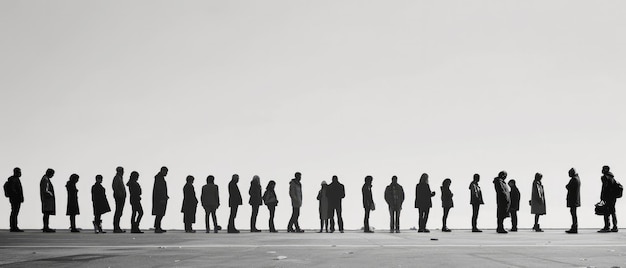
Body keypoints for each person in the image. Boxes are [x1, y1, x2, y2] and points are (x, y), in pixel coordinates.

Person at [599, 166, 618, 233]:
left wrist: (602, 197)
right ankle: (615, 226)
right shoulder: (612, 177)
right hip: (613, 197)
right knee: (613, 211)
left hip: (608, 197)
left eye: (603, 169)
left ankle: (607, 226)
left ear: (606, 170)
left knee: (606, 212)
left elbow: (605, 188)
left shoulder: (605, 177)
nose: (602, 170)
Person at [6, 167, 24, 232]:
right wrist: (18, 196)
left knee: (14, 212)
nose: (20, 173)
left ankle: (13, 226)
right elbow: (13, 189)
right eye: (19, 172)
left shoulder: (13, 179)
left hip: (14, 199)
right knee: (14, 212)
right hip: (15, 199)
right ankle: (14, 227)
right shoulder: (14, 179)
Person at [152, 166, 169, 233]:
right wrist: (162, 198)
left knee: (160, 213)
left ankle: (158, 226)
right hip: (160, 199)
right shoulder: (159, 178)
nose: (166, 173)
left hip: (160, 198)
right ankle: (157, 227)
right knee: (159, 213)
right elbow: (160, 189)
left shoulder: (159, 178)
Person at [40, 168, 56, 232]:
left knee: (46, 213)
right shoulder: (45, 179)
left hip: (46, 199)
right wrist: (50, 194)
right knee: (46, 213)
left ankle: (46, 226)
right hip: (47, 199)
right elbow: (45, 190)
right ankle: (46, 227)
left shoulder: (45, 179)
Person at [565, 168, 581, 234]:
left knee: (573, 213)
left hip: (573, 199)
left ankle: (574, 227)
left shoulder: (573, 180)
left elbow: (568, 187)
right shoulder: (577, 179)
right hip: (575, 199)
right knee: (573, 213)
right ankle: (574, 226)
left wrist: (567, 186)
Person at [112, 166, 126, 233]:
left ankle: (117, 227)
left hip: (121, 197)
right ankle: (116, 227)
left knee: (119, 212)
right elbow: (115, 187)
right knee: (118, 212)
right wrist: (120, 194)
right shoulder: (117, 178)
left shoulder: (119, 178)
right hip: (119, 197)